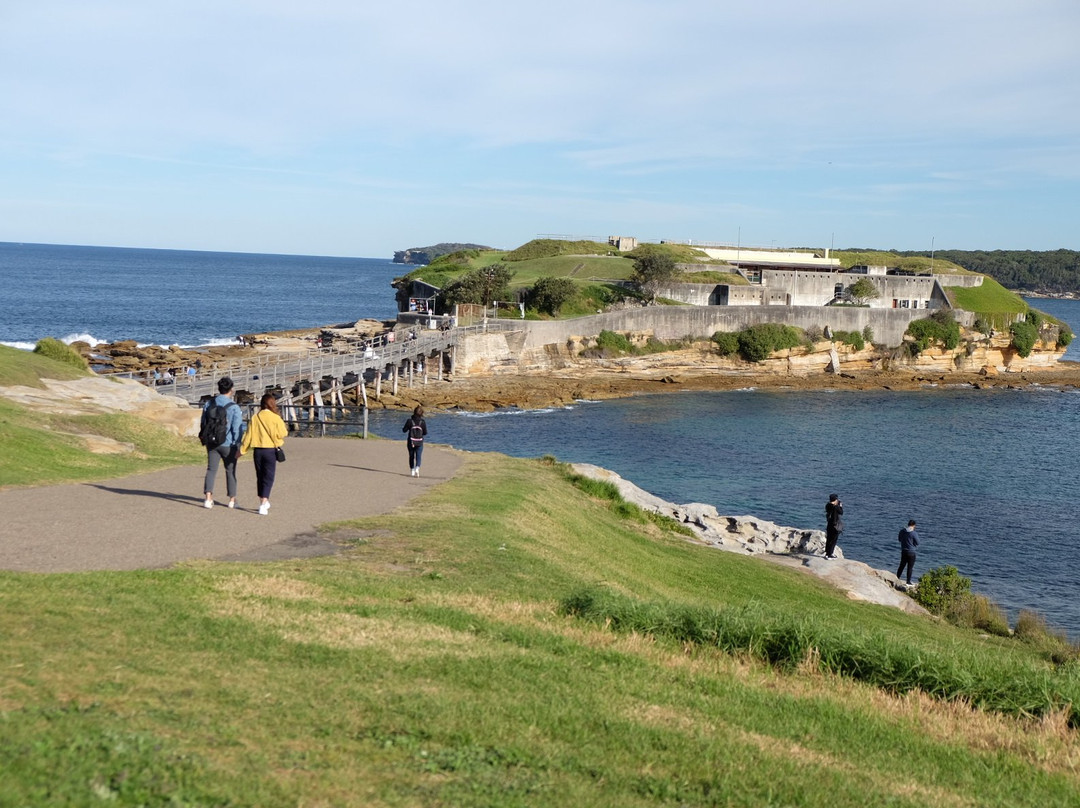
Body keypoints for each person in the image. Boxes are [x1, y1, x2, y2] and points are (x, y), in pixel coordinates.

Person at [240, 393, 288, 516]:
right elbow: (283, 433)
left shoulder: (255, 417)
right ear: (272, 404)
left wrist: (242, 450)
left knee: (260, 476)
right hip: (270, 450)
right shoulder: (275, 418)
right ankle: (264, 502)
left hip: (258, 451)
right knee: (269, 477)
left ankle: (262, 500)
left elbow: (248, 436)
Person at [201, 377, 245, 510]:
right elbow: (237, 428)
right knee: (230, 470)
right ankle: (232, 499)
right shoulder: (234, 407)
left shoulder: (209, 404)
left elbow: (203, 423)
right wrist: (238, 444)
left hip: (212, 442)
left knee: (211, 469)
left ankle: (208, 498)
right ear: (231, 390)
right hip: (228, 443)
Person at [402, 405, 428, 477]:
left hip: (411, 441)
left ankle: (412, 470)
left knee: (411, 455)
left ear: (414, 412)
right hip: (420, 441)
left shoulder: (409, 421)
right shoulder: (422, 422)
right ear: (422, 413)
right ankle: (417, 468)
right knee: (418, 456)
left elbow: (404, 430)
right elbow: (425, 433)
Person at [897, 519, 920, 586]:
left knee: (901, 565)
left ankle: (897, 577)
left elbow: (899, 539)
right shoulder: (914, 533)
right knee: (910, 567)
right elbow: (918, 542)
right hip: (911, 552)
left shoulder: (902, 531)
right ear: (914, 525)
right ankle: (908, 581)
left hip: (904, 551)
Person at [824, 493, 843, 558]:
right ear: (835, 500)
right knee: (833, 540)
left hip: (829, 524)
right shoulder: (836, 507)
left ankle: (827, 553)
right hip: (835, 525)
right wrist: (840, 505)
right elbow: (841, 512)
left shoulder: (828, 505)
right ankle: (830, 554)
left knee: (829, 539)